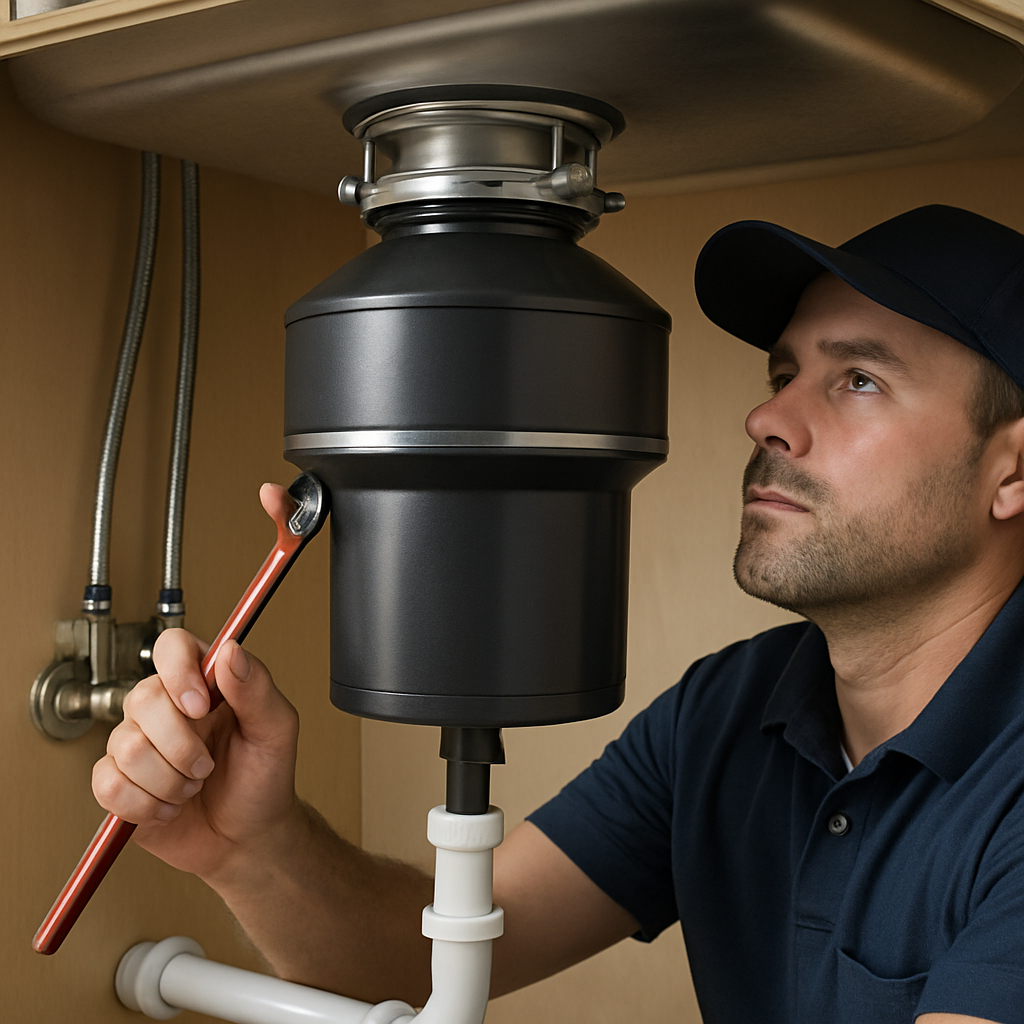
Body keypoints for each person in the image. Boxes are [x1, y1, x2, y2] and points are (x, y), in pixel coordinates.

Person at [92, 204, 1024, 1024]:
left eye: (859, 379)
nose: (768, 418)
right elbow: (423, 963)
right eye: (782, 372)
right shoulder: (736, 709)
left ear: (1013, 469)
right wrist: (252, 843)